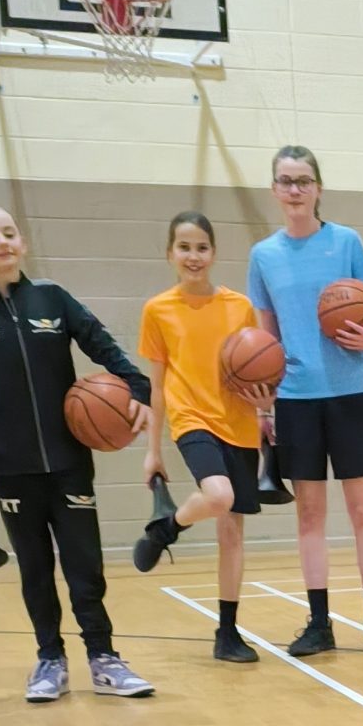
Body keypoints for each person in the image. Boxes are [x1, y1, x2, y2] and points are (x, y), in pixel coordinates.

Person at [0, 202, 158, 702]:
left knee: (85, 566)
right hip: (11, 469)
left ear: (22, 242)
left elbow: (106, 348)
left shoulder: (53, 300)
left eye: (8, 232)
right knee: (35, 569)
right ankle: (49, 659)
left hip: (68, 463)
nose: (1, 242)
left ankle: (104, 659)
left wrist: (139, 390)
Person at [247, 145, 363, 656]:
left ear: (318, 188)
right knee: (309, 515)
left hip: (352, 391)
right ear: (274, 189)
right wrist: (264, 408)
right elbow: (265, 336)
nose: (295, 190)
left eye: (303, 180)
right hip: (295, 398)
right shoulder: (263, 256)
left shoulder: (346, 241)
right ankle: (319, 624)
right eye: (286, 181)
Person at [131, 211, 265, 663]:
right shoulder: (158, 310)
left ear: (214, 253)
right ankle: (171, 526)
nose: (193, 256)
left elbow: (255, 366)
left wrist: (266, 402)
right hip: (192, 420)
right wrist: (152, 451)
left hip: (240, 423)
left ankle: (227, 633)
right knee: (220, 496)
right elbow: (156, 385)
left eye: (201, 247)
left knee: (232, 533)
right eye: (184, 247)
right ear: (170, 253)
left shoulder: (239, 307)